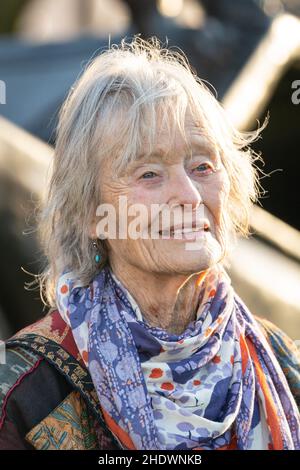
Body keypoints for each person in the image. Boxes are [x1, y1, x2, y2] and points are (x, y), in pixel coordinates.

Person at [0, 37, 299, 450]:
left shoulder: (282, 363)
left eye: (203, 166)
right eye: (149, 174)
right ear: (90, 212)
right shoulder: (26, 393)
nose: (191, 197)